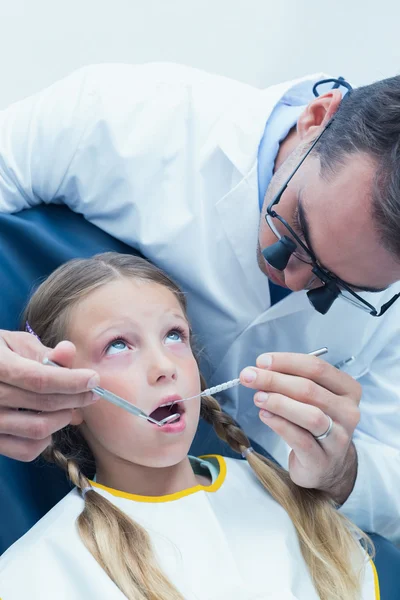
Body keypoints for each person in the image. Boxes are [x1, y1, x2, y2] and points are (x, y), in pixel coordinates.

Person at [0, 63, 399, 544]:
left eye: (337, 286)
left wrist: (344, 470)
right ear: (317, 117)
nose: (293, 280)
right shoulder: (122, 117)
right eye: (295, 229)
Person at [0, 252, 378, 600]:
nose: (165, 366)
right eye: (118, 345)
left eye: (174, 336)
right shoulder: (40, 573)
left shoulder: (287, 501)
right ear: (62, 392)